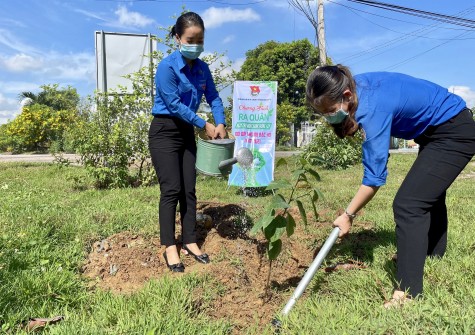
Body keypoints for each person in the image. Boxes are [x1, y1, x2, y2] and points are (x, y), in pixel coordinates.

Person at [306, 64, 475, 307]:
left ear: (346, 96)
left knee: (409, 205)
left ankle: (408, 294)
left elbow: (375, 177)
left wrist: (348, 214)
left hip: (454, 131)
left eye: (330, 111)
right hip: (441, 128)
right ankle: (432, 255)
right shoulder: (353, 85)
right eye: (322, 113)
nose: (329, 117)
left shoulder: (372, 106)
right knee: (427, 195)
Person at [148, 12, 226, 272]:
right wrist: (205, 124)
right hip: (164, 131)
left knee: (189, 190)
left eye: (200, 40)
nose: (196, 45)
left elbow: (214, 96)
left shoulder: (202, 68)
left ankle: (190, 240)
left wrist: (221, 122)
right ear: (178, 38)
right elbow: (173, 104)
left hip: (186, 132)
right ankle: (170, 246)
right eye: (191, 39)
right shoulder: (167, 67)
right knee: (171, 189)